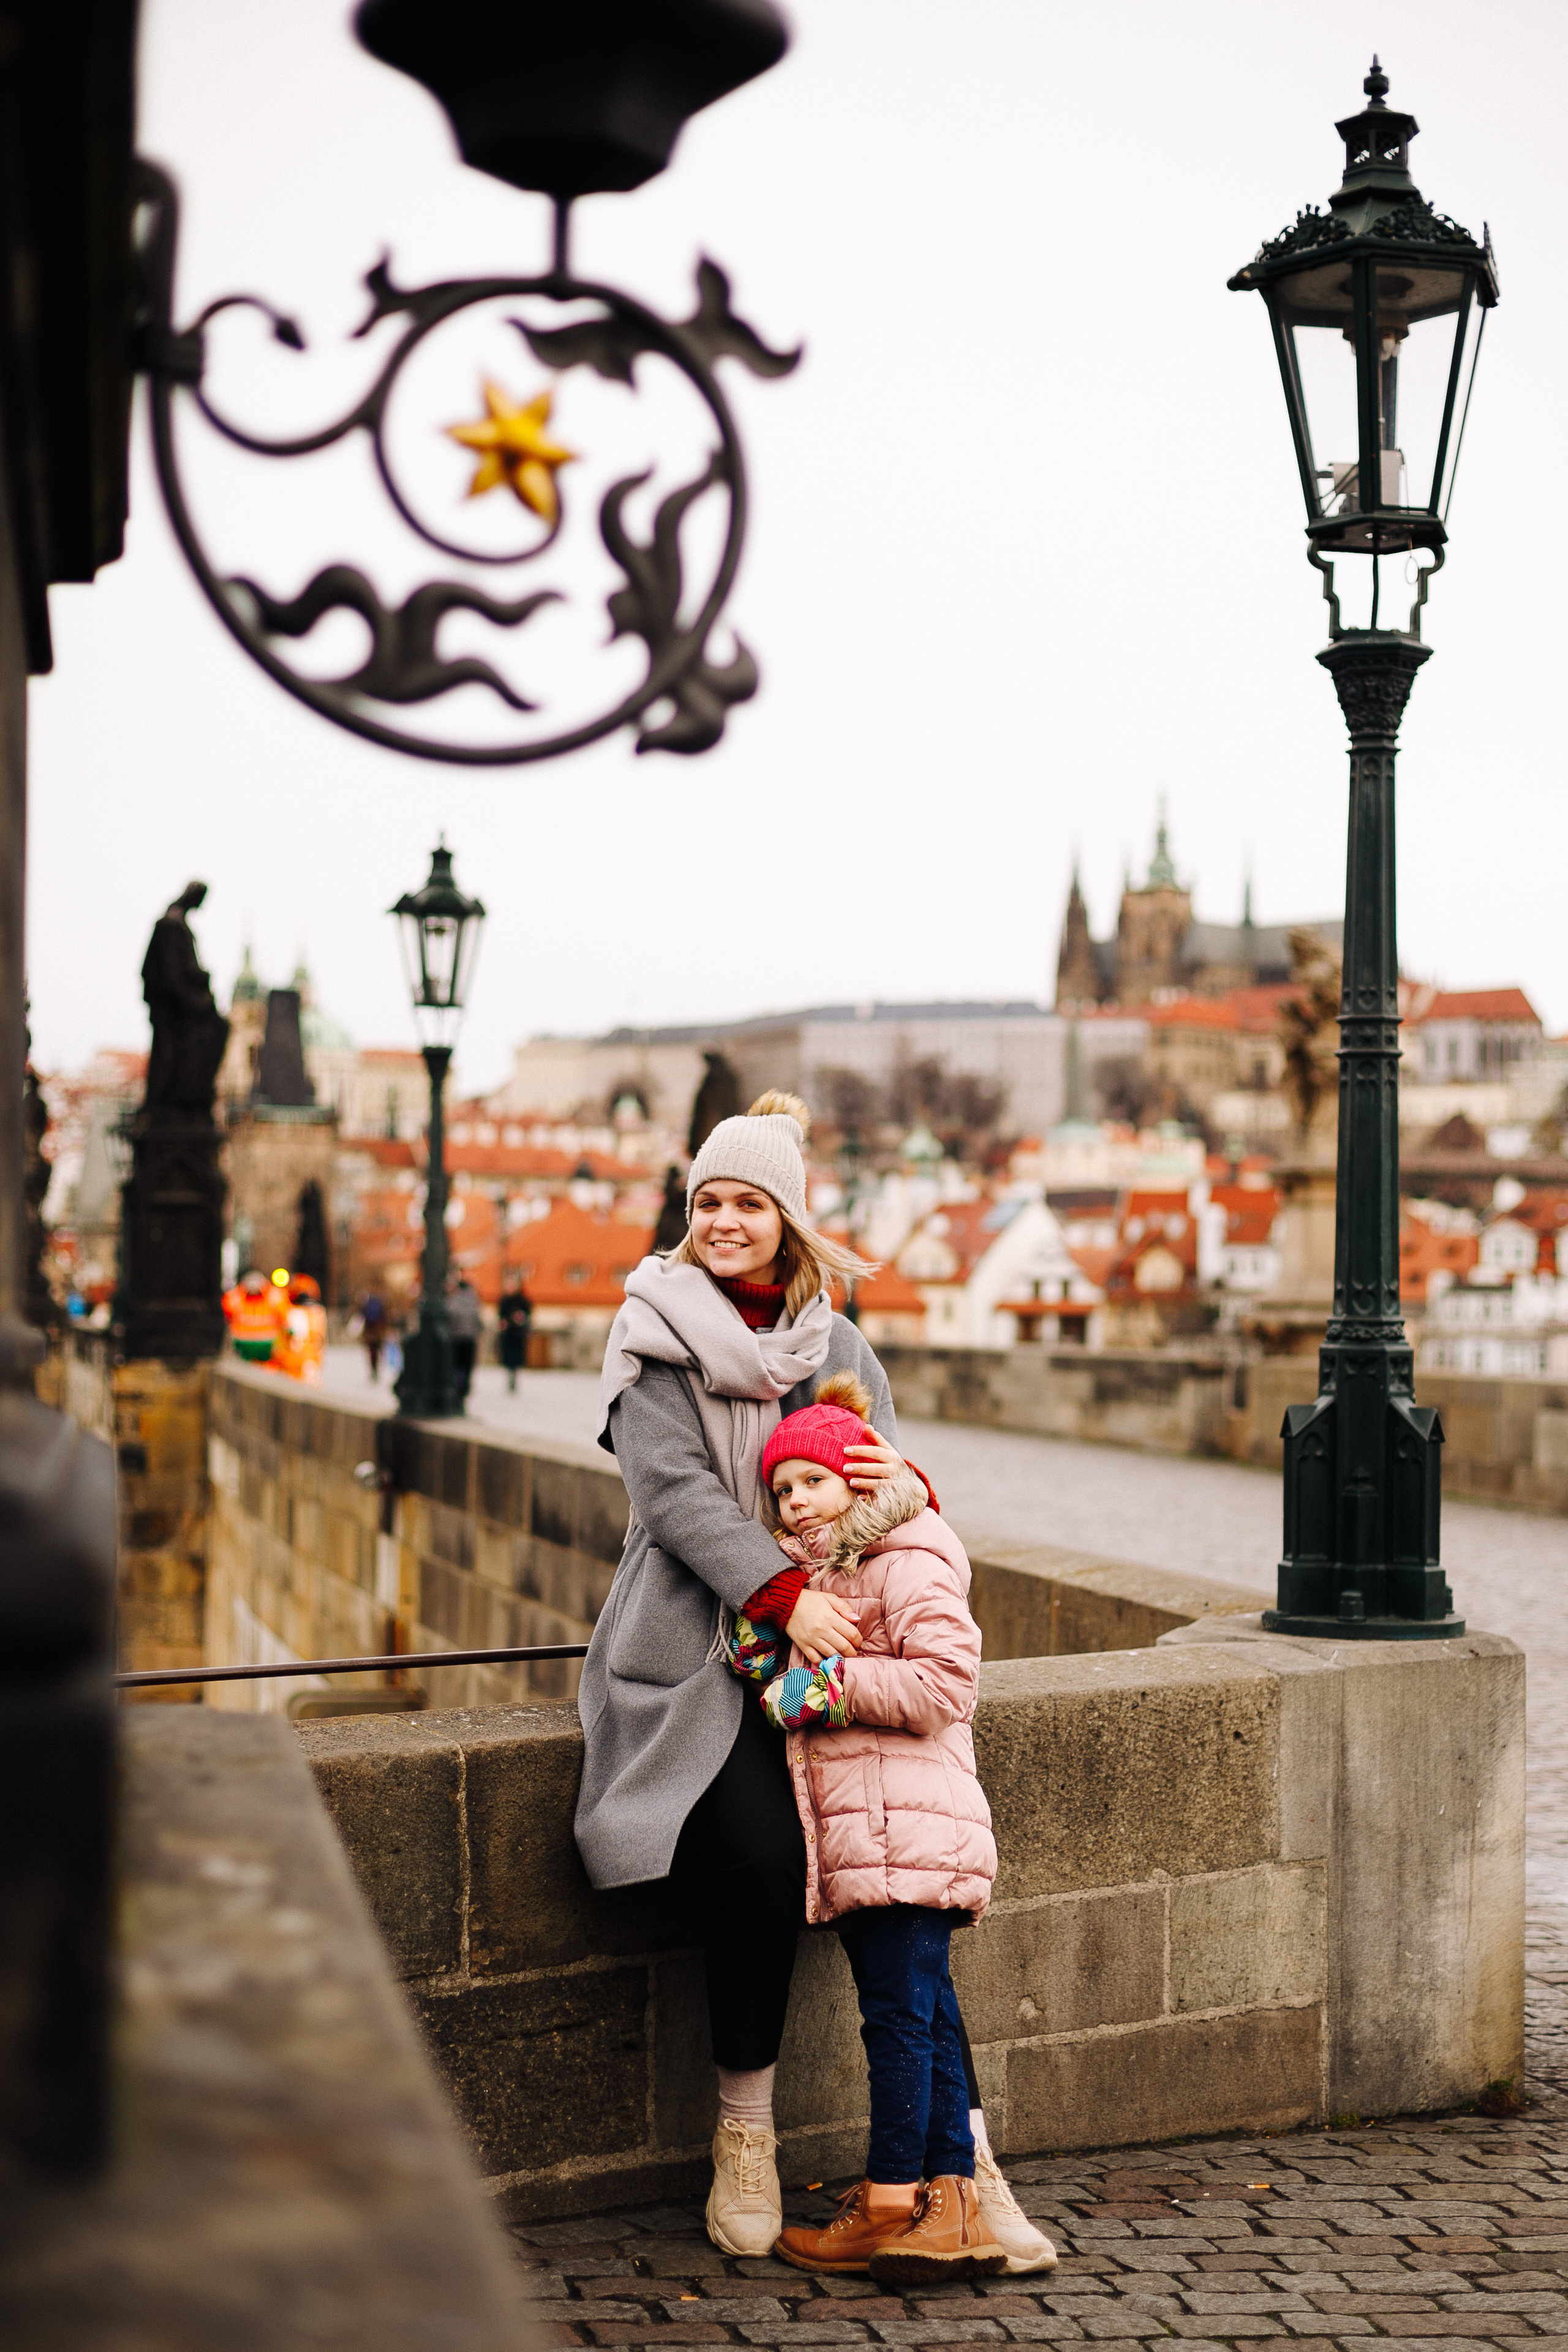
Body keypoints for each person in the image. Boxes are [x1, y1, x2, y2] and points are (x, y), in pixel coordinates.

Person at [574, 1094, 1054, 2274]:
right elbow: (678, 1501)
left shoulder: (837, 1349)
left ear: (787, 1221)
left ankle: (965, 2167)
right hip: (704, 1646)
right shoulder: (652, 1336)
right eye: (708, 1203)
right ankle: (746, 2130)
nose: (724, 1222)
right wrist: (784, 1596)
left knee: (906, 1891)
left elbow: (889, 1485)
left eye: (747, 1203)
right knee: (758, 1855)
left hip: (836, 1657)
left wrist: (903, 1495)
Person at [741, 1375, 1001, 2280]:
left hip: (908, 1831)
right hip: (875, 1830)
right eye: (781, 1489)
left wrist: (827, 1691)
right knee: (918, 2015)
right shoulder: (834, 1568)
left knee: (896, 2020)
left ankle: (892, 2198)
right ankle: (953, 2207)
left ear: (859, 1478)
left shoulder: (911, 1553)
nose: (796, 1500)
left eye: (812, 1481)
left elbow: (944, 1687)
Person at [447, 1273, 481, 1405]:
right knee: (467, 1367)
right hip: (470, 1340)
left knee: (457, 1366)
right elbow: (479, 1323)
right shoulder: (474, 1304)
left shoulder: (452, 1303)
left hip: (456, 1339)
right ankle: (464, 1390)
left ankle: (457, 1388)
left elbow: (450, 1322)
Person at [497, 1281, 532, 1392]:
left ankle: (513, 1379)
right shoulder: (504, 1300)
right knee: (508, 1357)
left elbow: (527, 1315)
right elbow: (501, 1316)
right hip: (508, 1334)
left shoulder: (523, 1301)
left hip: (518, 1334)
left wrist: (521, 1318)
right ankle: (510, 1378)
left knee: (516, 1357)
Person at [360, 1290, 388, 1382]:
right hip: (378, 1332)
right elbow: (386, 1317)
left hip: (370, 1332)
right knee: (378, 1352)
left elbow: (361, 1315)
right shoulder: (381, 1302)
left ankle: (374, 1371)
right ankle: (376, 1370)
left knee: (372, 1352)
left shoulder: (366, 1302)